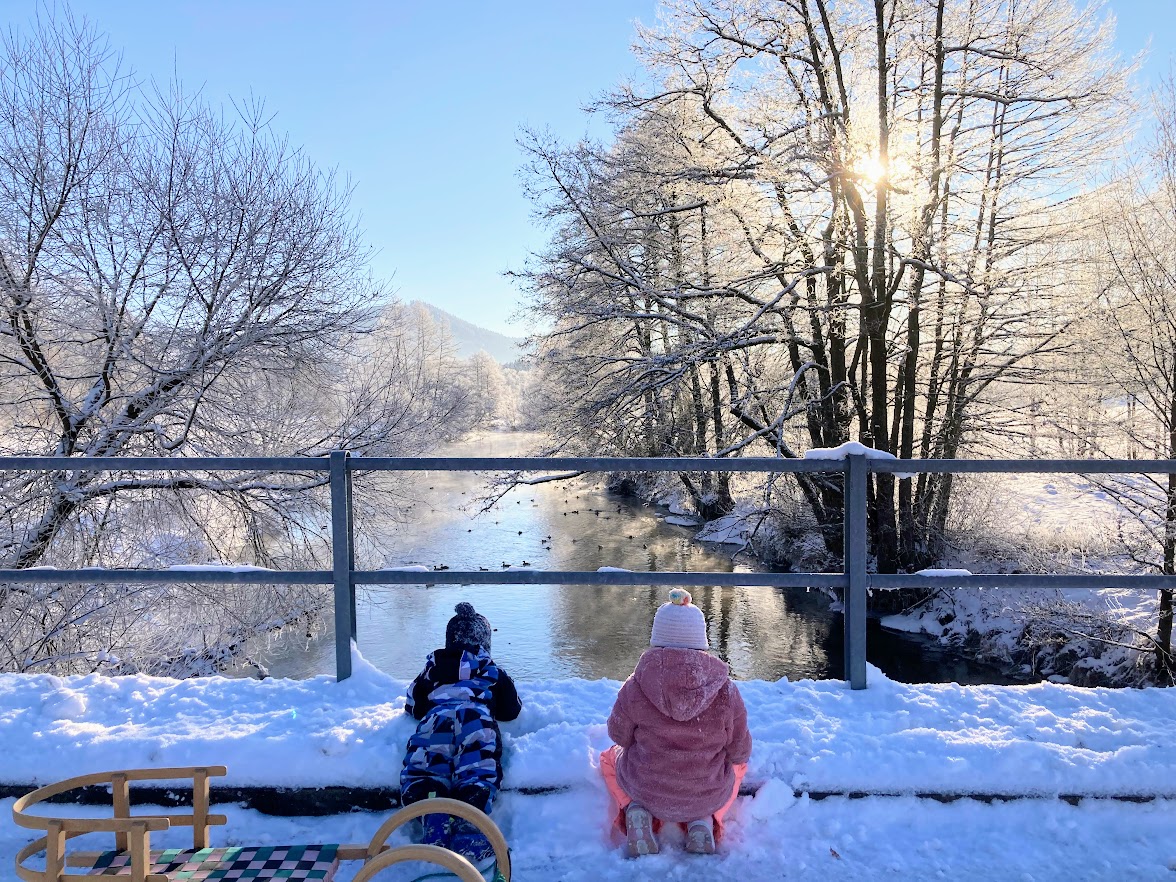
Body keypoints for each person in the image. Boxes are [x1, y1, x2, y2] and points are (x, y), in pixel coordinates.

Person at [601, 588, 752, 857]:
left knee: (607, 758)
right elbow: (740, 749)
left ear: (657, 639)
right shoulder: (725, 691)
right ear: (701, 641)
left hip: (646, 789)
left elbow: (618, 735)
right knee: (739, 767)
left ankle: (634, 810)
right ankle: (705, 821)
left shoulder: (636, 685)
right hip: (705, 791)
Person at [401, 602, 521, 862]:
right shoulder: (491, 670)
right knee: (477, 768)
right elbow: (511, 710)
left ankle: (432, 811)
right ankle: (469, 825)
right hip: (475, 719)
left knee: (426, 767)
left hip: (437, 718)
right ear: (485, 642)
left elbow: (413, 705)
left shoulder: (432, 668)